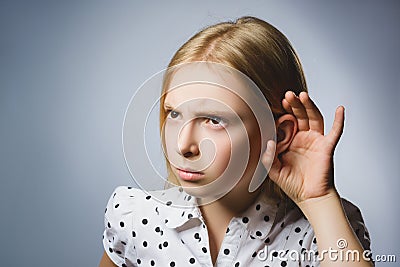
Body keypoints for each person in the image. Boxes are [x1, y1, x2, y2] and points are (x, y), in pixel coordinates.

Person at [99, 16, 373, 267]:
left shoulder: (324, 231)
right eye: (174, 114)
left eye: (214, 120)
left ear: (278, 135)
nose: (183, 145)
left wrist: (319, 200)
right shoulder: (134, 217)